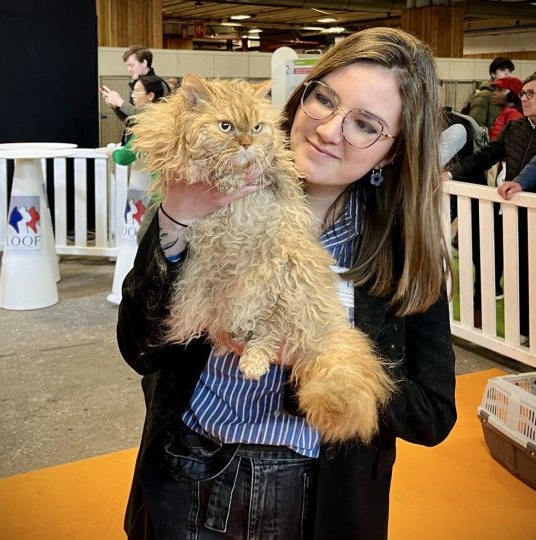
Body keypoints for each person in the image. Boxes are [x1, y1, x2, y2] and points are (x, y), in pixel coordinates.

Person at [117, 27, 457, 539]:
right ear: (302, 97)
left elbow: (431, 415)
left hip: (315, 501)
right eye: (324, 99)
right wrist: (177, 217)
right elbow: (139, 348)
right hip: (183, 474)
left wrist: (315, 356)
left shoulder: (401, 254)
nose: (329, 129)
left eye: (365, 124)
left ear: (390, 153)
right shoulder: (210, 194)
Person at [445, 74, 536, 340]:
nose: (525, 98)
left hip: (525, 205)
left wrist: (519, 182)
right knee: (519, 270)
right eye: (524, 94)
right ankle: (523, 331)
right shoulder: (516, 128)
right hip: (514, 212)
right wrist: (451, 174)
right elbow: (486, 155)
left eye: (532, 94)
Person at [108, 74, 166, 241]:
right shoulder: (169, 117)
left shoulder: (150, 123)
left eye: (137, 91)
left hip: (163, 194)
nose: (133, 95)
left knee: (145, 237)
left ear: (151, 96)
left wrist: (112, 152)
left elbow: (124, 157)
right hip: (182, 191)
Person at [99, 45, 171, 144]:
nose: (128, 69)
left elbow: (151, 117)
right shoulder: (138, 84)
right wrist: (115, 106)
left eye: (131, 65)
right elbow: (131, 121)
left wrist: (120, 103)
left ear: (144, 63)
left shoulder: (157, 83)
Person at [464, 57, 515, 130]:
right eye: (502, 70)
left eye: (509, 71)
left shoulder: (509, 95)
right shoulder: (483, 95)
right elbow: (476, 126)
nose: (507, 73)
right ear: (493, 74)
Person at [489, 76, 524, 140]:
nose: (494, 93)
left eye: (500, 90)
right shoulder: (504, 112)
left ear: (513, 94)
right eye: (495, 90)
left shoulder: (515, 114)